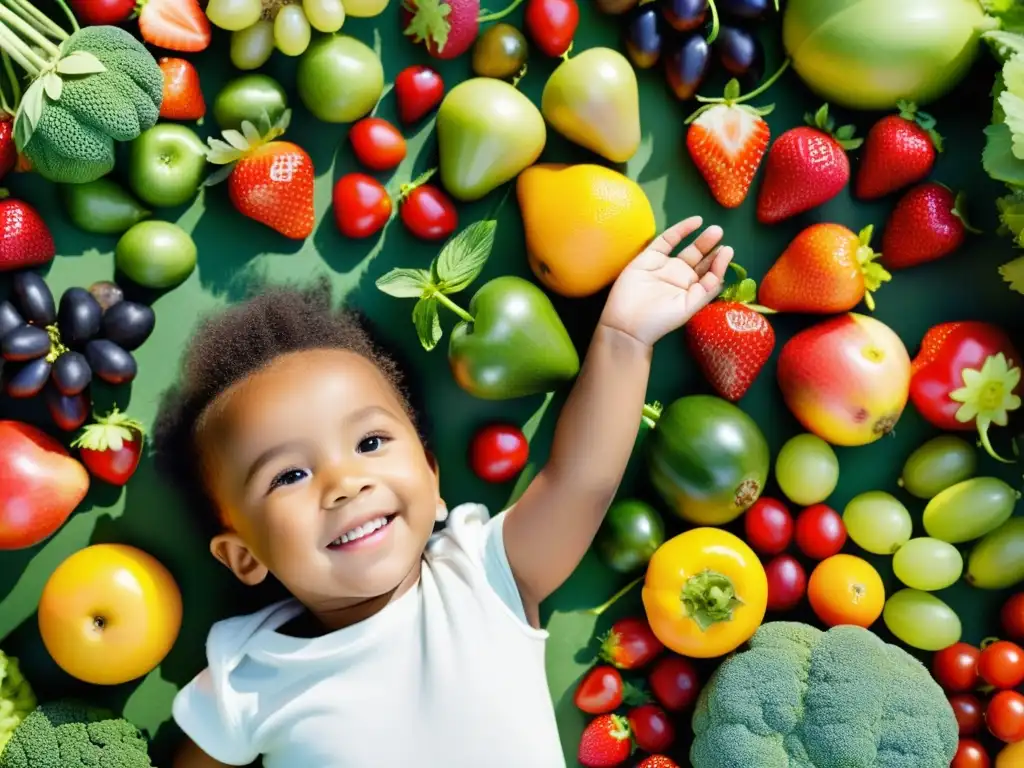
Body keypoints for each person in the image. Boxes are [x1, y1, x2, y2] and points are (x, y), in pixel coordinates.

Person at [154, 216, 733, 768]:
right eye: (290, 476)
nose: (344, 484)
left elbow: (583, 479)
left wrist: (625, 338)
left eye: (371, 442)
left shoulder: (483, 574)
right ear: (244, 555)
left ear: (432, 481)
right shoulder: (246, 679)